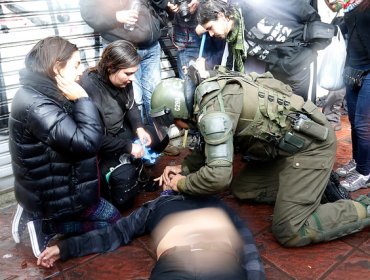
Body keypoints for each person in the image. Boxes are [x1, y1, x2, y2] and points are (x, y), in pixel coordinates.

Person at [149, 64, 370, 247]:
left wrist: (182, 184)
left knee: (290, 230)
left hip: (312, 148)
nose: (177, 127)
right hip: (286, 150)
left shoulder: (213, 114)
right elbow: (209, 143)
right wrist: (185, 168)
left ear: (177, 111)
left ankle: (363, 207)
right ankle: (312, 185)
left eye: (172, 122)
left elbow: (218, 177)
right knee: (243, 189)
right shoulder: (207, 94)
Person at [9, 36, 121, 258]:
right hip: (58, 192)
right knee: (114, 223)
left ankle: (34, 211)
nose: (81, 70)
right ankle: (47, 226)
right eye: (76, 65)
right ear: (57, 69)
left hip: (56, 182)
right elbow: (86, 143)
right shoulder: (38, 105)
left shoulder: (43, 91)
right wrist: (83, 99)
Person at [37, 193, 266, 280]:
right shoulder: (156, 205)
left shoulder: (217, 203)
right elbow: (116, 233)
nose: (174, 173)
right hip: (176, 265)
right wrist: (65, 248)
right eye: (170, 173)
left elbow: (248, 248)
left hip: (219, 261)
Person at [79, 40, 169, 210]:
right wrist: (128, 147)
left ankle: (139, 169)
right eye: (128, 73)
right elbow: (94, 139)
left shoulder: (123, 82)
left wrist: (139, 128)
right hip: (104, 146)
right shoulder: (89, 88)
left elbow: (131, 105)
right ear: (111, 67)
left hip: (123, 132)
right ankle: (129, 170)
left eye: (133, 73)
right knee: (124, 198)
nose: (132, 78)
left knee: (160, 136)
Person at [195, 0, 335, 100]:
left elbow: (300, 7)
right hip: (276, 72)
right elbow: (234, 69)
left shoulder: (254, 5)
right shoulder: (233, 36)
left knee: (304, 113)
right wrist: (207, 73)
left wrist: (310, 45)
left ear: (221, 16)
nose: (211, 34)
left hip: (300, 65)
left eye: (210, 28)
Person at [79, 0, 168, 124]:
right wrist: (115, 16)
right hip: (123, 50)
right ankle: (139, 138)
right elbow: (89, 14)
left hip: (151, 46)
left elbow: (162, 3)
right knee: (134, 100)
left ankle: (157, 137)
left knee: (155, 97)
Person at [331, 0, 370, 191]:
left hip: (369, 70)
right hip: (353, 69)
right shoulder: (352, 3)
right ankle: (357, 161)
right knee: (354, 121)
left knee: (364, 125)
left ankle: (365, 172)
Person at [168, 0, 225, 79]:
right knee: (188, 82)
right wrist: (169, 5)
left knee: (210, 81)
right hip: (184, 37)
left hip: (208, 35)